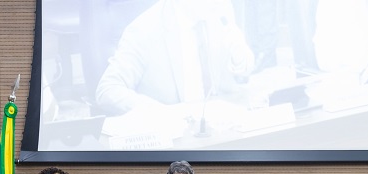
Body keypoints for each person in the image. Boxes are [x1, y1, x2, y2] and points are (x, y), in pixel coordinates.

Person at [95, 0, 254, 115]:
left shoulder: (219, 11)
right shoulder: (144, 30)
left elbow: (243, 71)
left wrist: (239, 54)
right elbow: (108, 89)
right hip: (173, 135)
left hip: (219, 124)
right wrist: (157, 112)